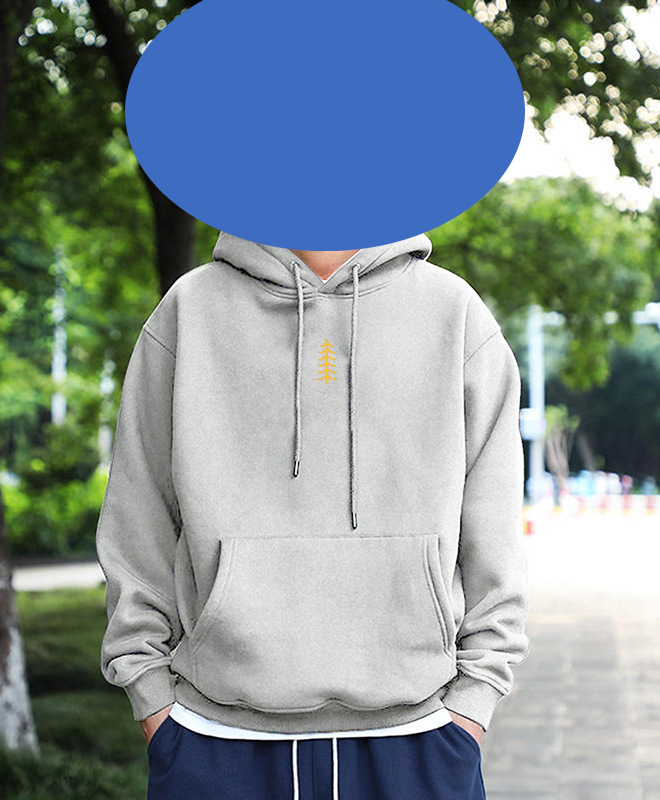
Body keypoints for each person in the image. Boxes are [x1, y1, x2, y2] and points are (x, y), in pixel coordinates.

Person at [96, 231, 530, 799]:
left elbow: (495, 530)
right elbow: (139, 516)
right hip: (214, 738)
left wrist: (475, 700)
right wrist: (149, 692)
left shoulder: (456, 314)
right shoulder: (189, 310)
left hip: (420, 737)